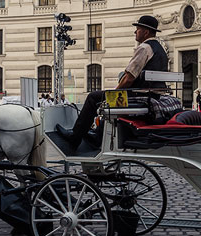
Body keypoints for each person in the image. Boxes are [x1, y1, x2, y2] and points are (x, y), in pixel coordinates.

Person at [56, 15, 169, 149]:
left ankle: (75, 138)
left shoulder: (145, 48)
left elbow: (129, 78)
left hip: (139, 96)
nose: (135, 32)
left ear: (146, 32)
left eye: (138, 29)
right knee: (104, 99)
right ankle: (98, 135)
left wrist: (115, 92)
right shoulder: (161, 50)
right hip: (153, 96)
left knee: (93, 98)